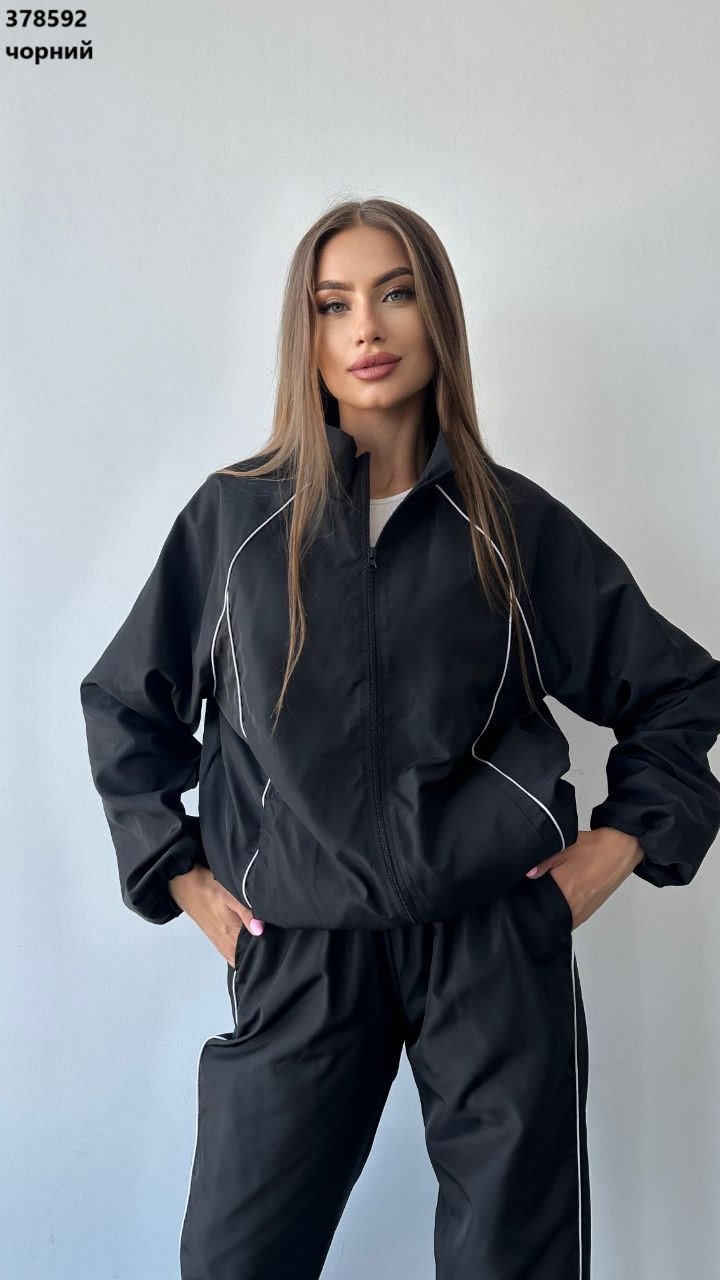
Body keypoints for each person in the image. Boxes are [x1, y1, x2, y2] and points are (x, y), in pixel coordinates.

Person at [79, 198, 720, 1280]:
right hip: (302, 947)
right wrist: (182, 877)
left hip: (489, 939)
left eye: (396, 292)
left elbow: (677, 692)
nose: (367, 328)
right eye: (334, 304)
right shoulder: (234, 523)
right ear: (307, 334)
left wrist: (608, 855)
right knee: (236, 1257)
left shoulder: (509, 524)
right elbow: (125, 707)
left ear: (438, 317)